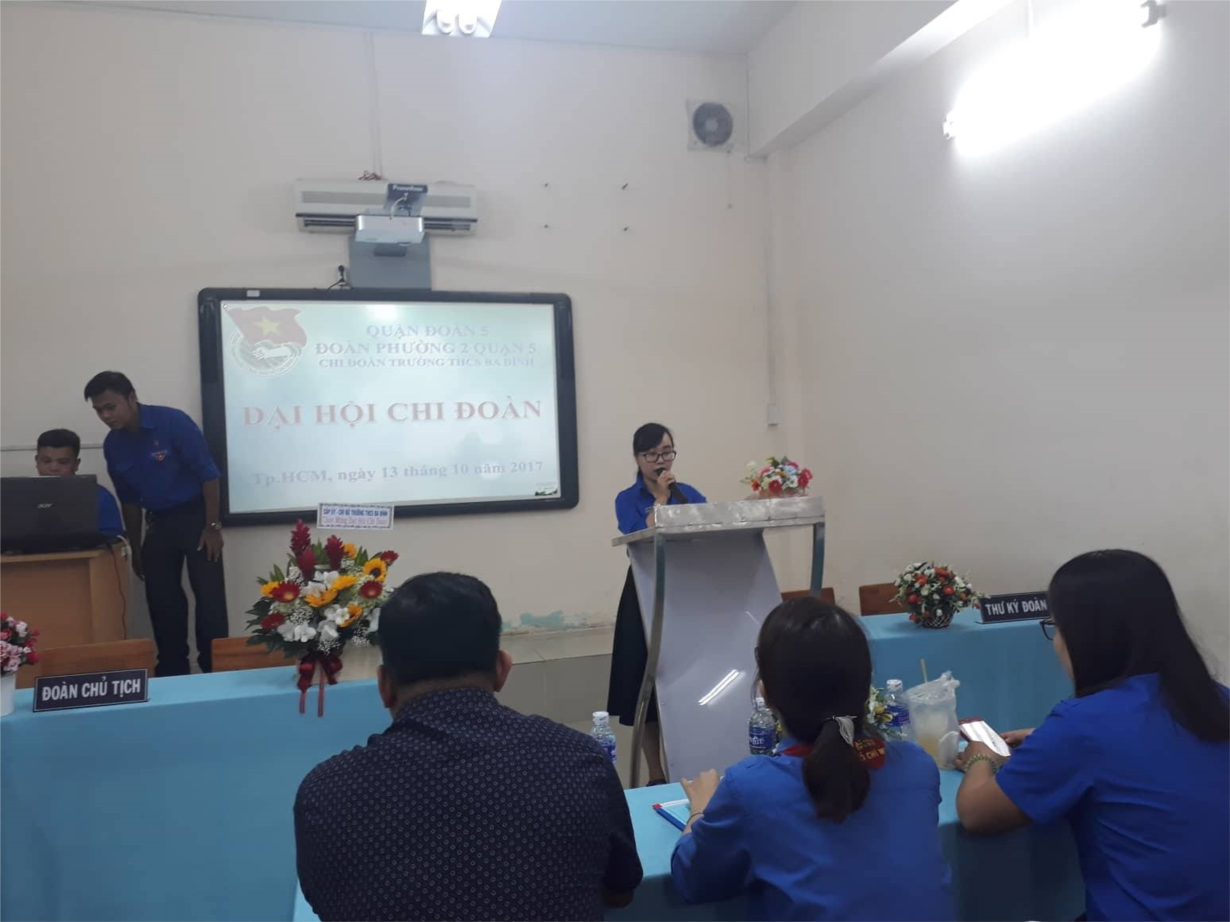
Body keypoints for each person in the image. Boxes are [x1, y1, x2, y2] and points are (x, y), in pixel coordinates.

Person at [295, 572, 643, 922]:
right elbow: (621, 890)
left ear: (384, 685)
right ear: (502, 668)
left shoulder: (327, 795)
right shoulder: (577, 760)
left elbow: (329, 905)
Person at [956, 550, 1230, 922]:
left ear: (1086, 636)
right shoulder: (1216, 699)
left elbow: (977, 815)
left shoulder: (1081, 727)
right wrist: (1047, 739)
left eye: (1056, 626)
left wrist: (980, 756)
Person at [671, 598, 954, 921]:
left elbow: (693, 880)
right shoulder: (916, 766)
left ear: (765, 694)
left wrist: (700, 809)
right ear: (866, 690)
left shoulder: (750, 788)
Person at [84, 371, 227, 676]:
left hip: (197, 518)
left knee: (209, 598)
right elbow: (129, 500)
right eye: (99, 410)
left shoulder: (173, 422)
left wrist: (212, 526)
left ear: (131, 398)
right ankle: (173, 671)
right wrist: (136, 548)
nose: (106, 416)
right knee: (162, 601)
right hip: (159, 523)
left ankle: (216, 669)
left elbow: (208, 475)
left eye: (111, 407)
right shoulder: (113, 445)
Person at [607, 422, 706, 784]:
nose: (661, 460)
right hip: (643, 593)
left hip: (686, 591)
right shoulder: (627, 498)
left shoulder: (689, 494)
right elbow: (639, 532)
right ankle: (656, 772)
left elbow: (710, 530)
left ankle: (691, 763)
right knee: (644, 686)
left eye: (667, 452)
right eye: (652, 454)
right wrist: (661, 499)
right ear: (638, 458)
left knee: (687, 681)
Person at [34, 428, 124, 540]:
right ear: (37, 461)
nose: (54, 468)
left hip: (86, 551)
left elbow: (114, 538)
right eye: (47, 461)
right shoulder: (21, 495)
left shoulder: (99, 496)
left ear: (76, 464)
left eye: (63, 462)